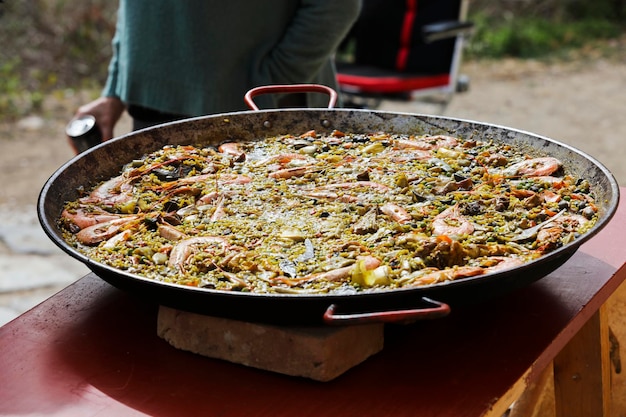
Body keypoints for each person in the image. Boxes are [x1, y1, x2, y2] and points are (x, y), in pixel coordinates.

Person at [72, 0, 361, 144]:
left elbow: (335, 6)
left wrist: (273, 82)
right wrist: (116, 90)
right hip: (151, 115)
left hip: (262, 115)